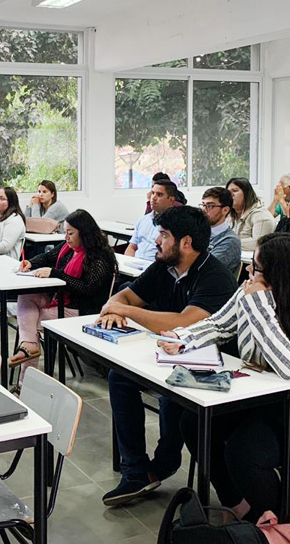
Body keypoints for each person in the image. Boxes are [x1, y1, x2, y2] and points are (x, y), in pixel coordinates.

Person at [159, 232, 290, 523]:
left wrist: (258, 307)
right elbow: (219, 324)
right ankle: (240, 505)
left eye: (256, 267)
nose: (249, 272)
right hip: (269, 402)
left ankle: (274, 522)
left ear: (281, 275)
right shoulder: (254, 291)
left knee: (244, 452)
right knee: (194, 422)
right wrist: (182, 339)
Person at [95, 206, 237, 506]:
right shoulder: (164, 265)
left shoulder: (216, 276)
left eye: (163, 235)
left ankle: (162, 464)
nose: (156, 241)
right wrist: (115, 308)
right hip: (171, 354)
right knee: (119, 377)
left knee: (172, 395)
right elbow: (126, 295)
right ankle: (135, 470)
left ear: (185, 242)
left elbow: (186, 323)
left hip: (213, 367)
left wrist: (127, 311)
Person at [9, 209, 117, 388]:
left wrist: (56, 273)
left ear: (85, 233)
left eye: (71, 233)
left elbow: (87, 289)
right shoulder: (68, 247)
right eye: (65, 232)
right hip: (61, 300)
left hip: (81, 309)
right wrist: (31, 263)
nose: (66, 237)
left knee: (28, 319)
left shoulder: (99, 257)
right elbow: (47, 256)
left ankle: (23, 383)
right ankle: (29, 347)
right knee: (26, 297)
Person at [127, 179, 178, 260]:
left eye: (159, 194)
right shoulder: (143, 220)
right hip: (134, 265)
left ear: (171, 200)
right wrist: (128, 262)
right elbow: (132, 247)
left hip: (154, 267)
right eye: (153, 193)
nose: (153, 198)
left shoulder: (176, 223)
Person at [226, 177, 275, 251]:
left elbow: (258, 243)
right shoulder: (229, 214)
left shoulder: (262, 216)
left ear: (246, 193)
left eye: (235, 191)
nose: (231, 195)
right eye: (228, 192)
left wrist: (225, 242)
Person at [201, 187, 241, 272]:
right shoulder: (200, 232)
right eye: (203, 205)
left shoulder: (230, 241)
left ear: (225, 210)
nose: (204, 210)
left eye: (210, 206)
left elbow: (205, 268)